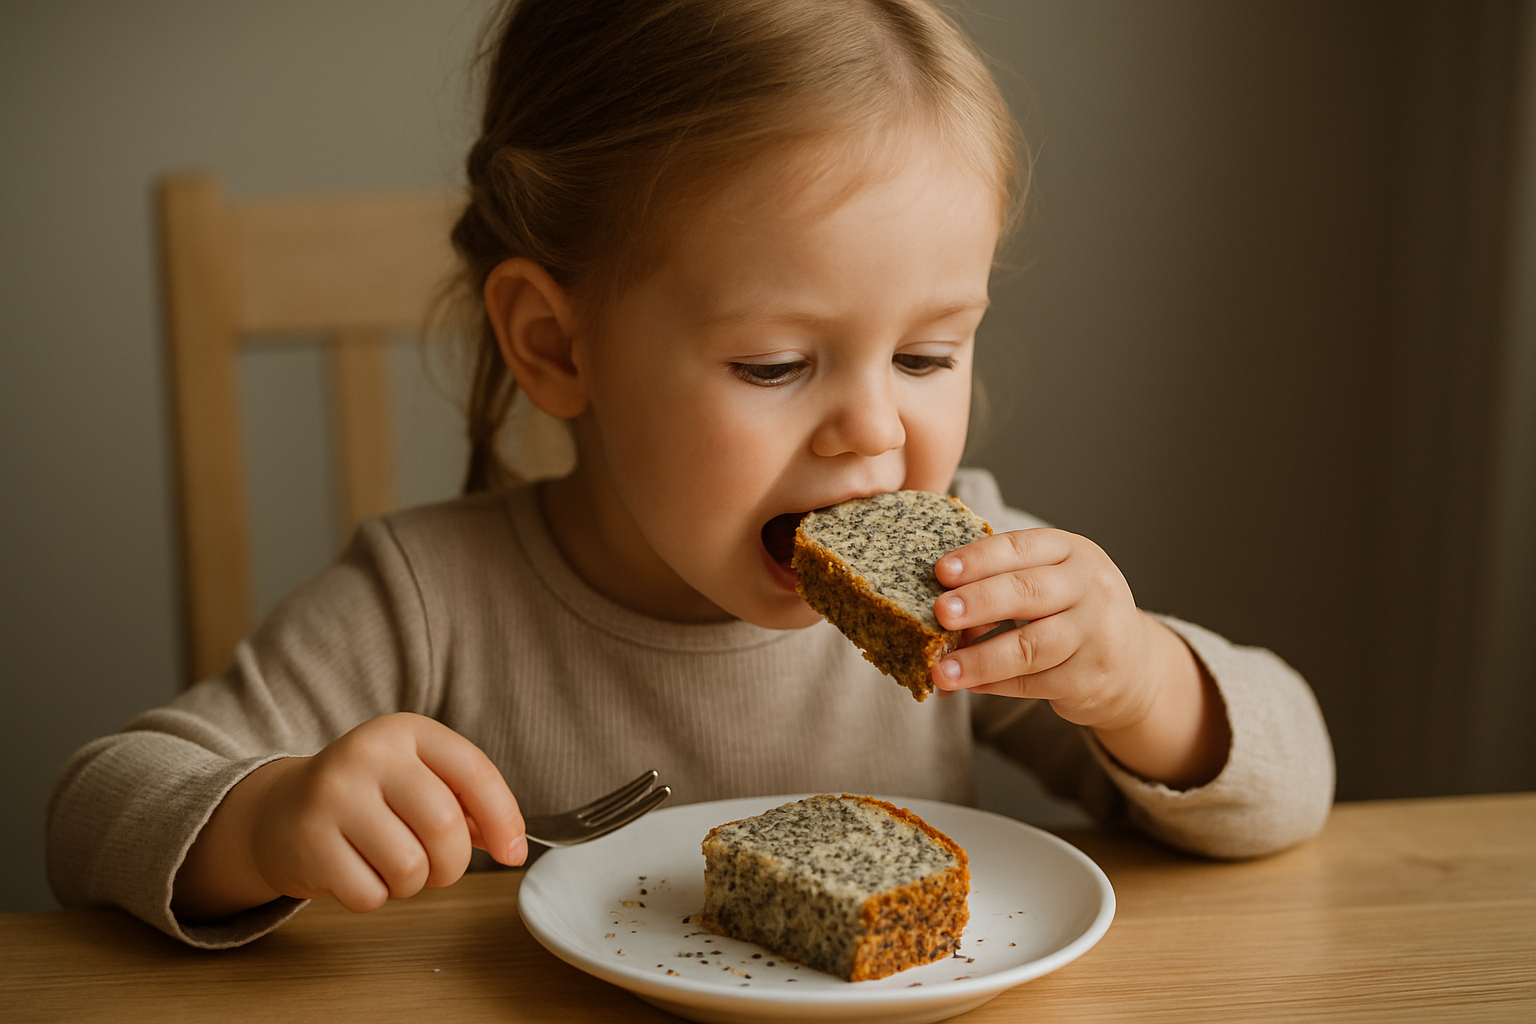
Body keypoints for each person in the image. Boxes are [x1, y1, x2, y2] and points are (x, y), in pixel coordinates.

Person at [47, 0, 1333, 949]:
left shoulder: (970, 581)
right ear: (556, 343)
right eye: (776, 365)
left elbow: (1295, 786)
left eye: (930, 352)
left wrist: (1138, 679)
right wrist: (267, 820)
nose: (871, 433)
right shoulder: (430, 599)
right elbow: (95, 803)